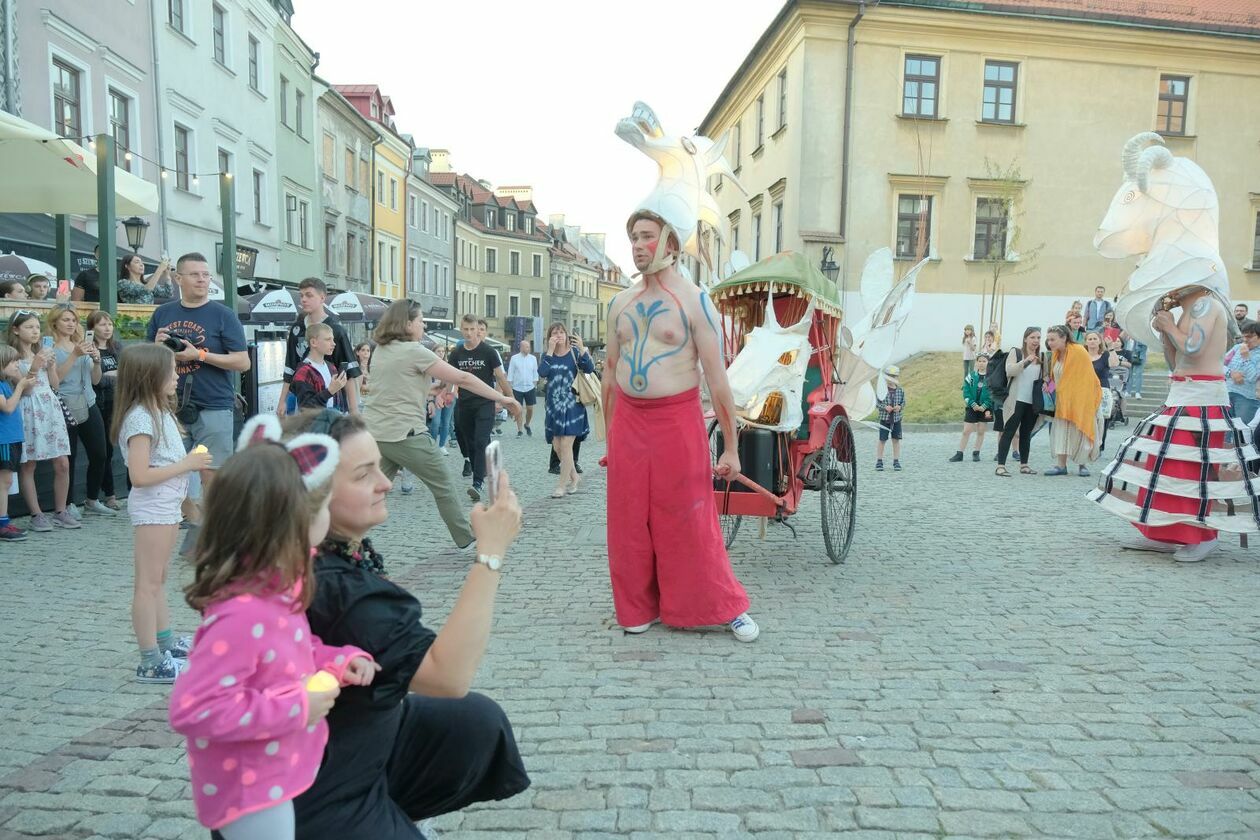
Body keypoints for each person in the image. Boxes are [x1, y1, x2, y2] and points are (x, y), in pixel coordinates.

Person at [275, 410, 529, 840]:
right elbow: (447, 675)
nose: (385, 482)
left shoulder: (308, 551)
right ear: (313, 494)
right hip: (314, 794)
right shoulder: (334, 587)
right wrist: (490, 552)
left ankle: (395, 801)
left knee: (474, 724)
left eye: (380, 466)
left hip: (343, 743)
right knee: (457, 704)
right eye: (362, 475)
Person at [170, 415, 377, 840]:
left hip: (275, 772)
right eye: (322, 506)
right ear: (294, 523)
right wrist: (296, 707)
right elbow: (195, 709)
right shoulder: (244, 613)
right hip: (249, 789)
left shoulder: (275, 588)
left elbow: (292, 653)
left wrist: (338, 660)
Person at [603, 211, 758, 641]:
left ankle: (726, 606)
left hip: (677, 420)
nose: (638, 245)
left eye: (647, 236)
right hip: (630, 425)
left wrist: (730, 447)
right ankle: (638, 606)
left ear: (671, 244)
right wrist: (609, 435)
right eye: (633, 236)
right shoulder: (620, 302)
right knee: (628, 519)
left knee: (690, 519)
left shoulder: (695, 300)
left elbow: (717, 380)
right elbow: (610, 373)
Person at [1090, 285, 1256, 562]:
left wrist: (1169, 324)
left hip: (1203, 398)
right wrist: (1167, 331)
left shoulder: (1207, 304)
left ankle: (1202, 535)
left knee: (1192, 467)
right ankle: (1166, 532)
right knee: (1164, 465)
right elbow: (1176, 360)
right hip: (1182, 393)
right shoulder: (1187, 311)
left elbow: (1193, 347)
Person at [361, 300, 518, 546]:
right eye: (421, 321)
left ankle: (340, 537)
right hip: (407, 435)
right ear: (408, 323)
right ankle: (466, 535)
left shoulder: (381, 349)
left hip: (378, 434)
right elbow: (464, 378)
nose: (423, 325)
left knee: (371, 493)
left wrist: (430, 390)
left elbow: (395, 388)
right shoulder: (414, 350)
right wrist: (502, 397)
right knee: (443, 484)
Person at [112, 344, 213, 682]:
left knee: (158, 581)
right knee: (147, 584)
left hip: (167, 506)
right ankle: (150, 659)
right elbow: (139, 476)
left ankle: (165, 642)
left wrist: (189, 505)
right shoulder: (140, 417)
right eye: (170, 371)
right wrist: (188, 464)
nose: (176, 376)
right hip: (153, 508)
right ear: (150, 376)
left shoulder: (159, 412)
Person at [145, 252, 250, 527]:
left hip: (214, 406)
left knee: (211, 472)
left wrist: (199, 356)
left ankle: (214, 528)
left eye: (205, 274)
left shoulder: (223, 315)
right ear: (178, 278)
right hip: (170, 407)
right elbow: (147, 361)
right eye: (195, 274)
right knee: (170, 471)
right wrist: (157, 349)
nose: (202, 280)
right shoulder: (163, 314)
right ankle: (193, 519)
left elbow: (242, 362)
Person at [6, 311, 76, 530]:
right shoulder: (10, 357)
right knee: (28, 465)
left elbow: (55, 384)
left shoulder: (43, 351)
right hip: (27, 409)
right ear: (16, 329)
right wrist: (36, 366)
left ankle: (60, 510)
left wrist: (51, 365)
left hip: (50, 408)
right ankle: (36, 514)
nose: (35, 331)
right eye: (29, 327)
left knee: (63, 463)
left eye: (37, 327)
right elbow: (25, 390)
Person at [49, 303, 112, 516]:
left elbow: (95, 379)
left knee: (100, 454)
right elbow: (55, 381)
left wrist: (96, 362)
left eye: (74, 320)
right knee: (70, 457)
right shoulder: (50, 348)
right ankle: (67, 504)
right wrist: (74, 356)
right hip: (64, 405)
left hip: (89, 401)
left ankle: (92, 499)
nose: (70, 324)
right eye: (66, 320)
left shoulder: (82, 344)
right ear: (55, 322)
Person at [448, 314, 513, 501]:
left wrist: (510, 399)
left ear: (478, 329)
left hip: (485, 403)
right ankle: (488, 465)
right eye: (465, 329)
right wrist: (447, 393)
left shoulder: (489, 352)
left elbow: (501, 377)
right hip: (464, 404)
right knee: (469, 442)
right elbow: (451, 377)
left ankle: (477, 483)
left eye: (472, 329)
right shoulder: (456, 353)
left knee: (480, 440)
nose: (469, 333)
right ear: (461, 329)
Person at [278, 278, 360, 417]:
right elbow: (290, 367)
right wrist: (282, 401)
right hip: (301, 400)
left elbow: (348, 373)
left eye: (309, 295)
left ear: (322, 298)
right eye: (301, 295)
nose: (303, 299)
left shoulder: (336, 330)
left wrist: (354, 411)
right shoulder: (297, 329)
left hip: (331, 401)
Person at [539, 324, 594, 497]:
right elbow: (543, 372)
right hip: (554, 406)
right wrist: (549, 350)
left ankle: (561, 486)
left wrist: (582, 349)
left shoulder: (574, 353)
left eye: (562, 332)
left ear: (567, 334)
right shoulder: (548, 355)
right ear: (549, 337)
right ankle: (574, 477)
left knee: (566, 444)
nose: (559, 336)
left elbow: (590, 369)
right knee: (557, 446)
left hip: (573, 405)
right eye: (554, 333)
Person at [1043, 325, 1102, 477]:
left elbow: (1087, 377)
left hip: (1080, 399)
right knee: (1062, 431)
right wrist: (1048, 387)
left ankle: (1083, 465)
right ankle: (1061, 465)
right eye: (1048, 339)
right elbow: (1057, 377)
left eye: (1053, 339)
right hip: (1063, 401)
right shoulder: (1056, 354)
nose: (1049, 342)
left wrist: (1081, 399)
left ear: (1063, 338)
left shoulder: (1078, 351)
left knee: (1080, 431)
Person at [88, 311, 125, 510]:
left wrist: (110, 374)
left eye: (109, 324)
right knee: (105, 452)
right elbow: (97, 381)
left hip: (119, 402)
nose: (107, 328)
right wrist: (113, 375)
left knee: (120, 448)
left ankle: (118, 493)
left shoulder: (117, 348)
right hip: (99, 404)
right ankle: (109, 495)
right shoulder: (90, 350)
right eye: (102, 325)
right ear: (92, 329)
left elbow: (127, 372)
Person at [995, 328, 1043, 477]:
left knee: (1026, 434)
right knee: (1008, 431)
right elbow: (1010, 371)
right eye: (1032, 337)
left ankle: (1024, 465)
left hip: (1032, 402)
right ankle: (1000, 466)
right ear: (1025, 339)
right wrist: (1026, 361)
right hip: (1016, 399)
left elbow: (1046, 379)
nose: (1036, 340)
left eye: (1038, 338)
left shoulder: (1042, 357)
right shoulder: (1016, 353)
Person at [0, 346, 35, 540]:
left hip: (12, 438)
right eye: (13, 362)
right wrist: (20, 386)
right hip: (4, 439)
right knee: (4, 482)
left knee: (6, 482)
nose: (17, 364)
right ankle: (2, 523)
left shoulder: (7, 383)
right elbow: (7, 407)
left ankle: (4, 521)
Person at [290, 322, 349, 412]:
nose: (334, 344)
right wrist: (330, 391)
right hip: (315, 424)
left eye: (333, 339)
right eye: (328, 339)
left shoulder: (331, 367)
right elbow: (306, 409)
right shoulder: (304, 372)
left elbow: (338, 400)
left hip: (333, 422)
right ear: (313, 342)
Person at [949, 353, 992, 462]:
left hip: (985, 408)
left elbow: (993, 394)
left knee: (981, 431)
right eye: (980, 361)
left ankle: (976, 452)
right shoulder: (971, 376)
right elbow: (966, 392)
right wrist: (973, 404)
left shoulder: (991, 378)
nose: (982, 363)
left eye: (984, 361)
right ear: (976, 362)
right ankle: (960, 453)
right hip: (971, 407)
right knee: (966, 430)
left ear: (988, 363)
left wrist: (985, 405)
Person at [1224, 322, 1260, 425]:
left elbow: (1253, 377)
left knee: (1243, 432)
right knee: (1226, 431)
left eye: (1249, 336)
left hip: (1247, 398)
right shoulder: (1237, 348)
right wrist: (1230, 373)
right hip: (1227, 393)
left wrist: (1245, 358)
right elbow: (1219, 365)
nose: (1245, 340)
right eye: (1244, 336)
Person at [874, 365, 905, 471]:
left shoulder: (900, 390)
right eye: (890, 376)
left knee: (896, 440)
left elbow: (903, 402)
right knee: (882, 440)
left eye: (894, 376)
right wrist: (884, 407)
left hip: (896, 419)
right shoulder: (881, 391)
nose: (892, 379)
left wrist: (899, 407)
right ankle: (879, 461)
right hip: (884, 419)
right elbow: (877, 403)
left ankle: (896, 461)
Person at [506, 339, 539, 437]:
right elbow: (510, 372)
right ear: (521, 347)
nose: (528, 348)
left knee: (530, 409)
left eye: (529, 347)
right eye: (526, 347)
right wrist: (510, 386)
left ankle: (527, 424)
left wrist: (534, 384)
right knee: (519, 409)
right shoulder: (514, 358)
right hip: (517, 387)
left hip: (530, 387)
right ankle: (519, 430)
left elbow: (535, 372)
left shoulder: (533, 358)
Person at [426, 345, 454, 452]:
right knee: (436, 422)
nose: (441, 353)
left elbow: (452, 382)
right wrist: (432, 398)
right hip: (434, 397)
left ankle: (442, 445)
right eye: (438, 351)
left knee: (446, 422)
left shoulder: (448, 365)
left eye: (443, 351)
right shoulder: (429, 366)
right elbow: (428, 384)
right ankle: (432, 446)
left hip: (448, 396)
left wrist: (448, 394)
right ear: (433, 352)